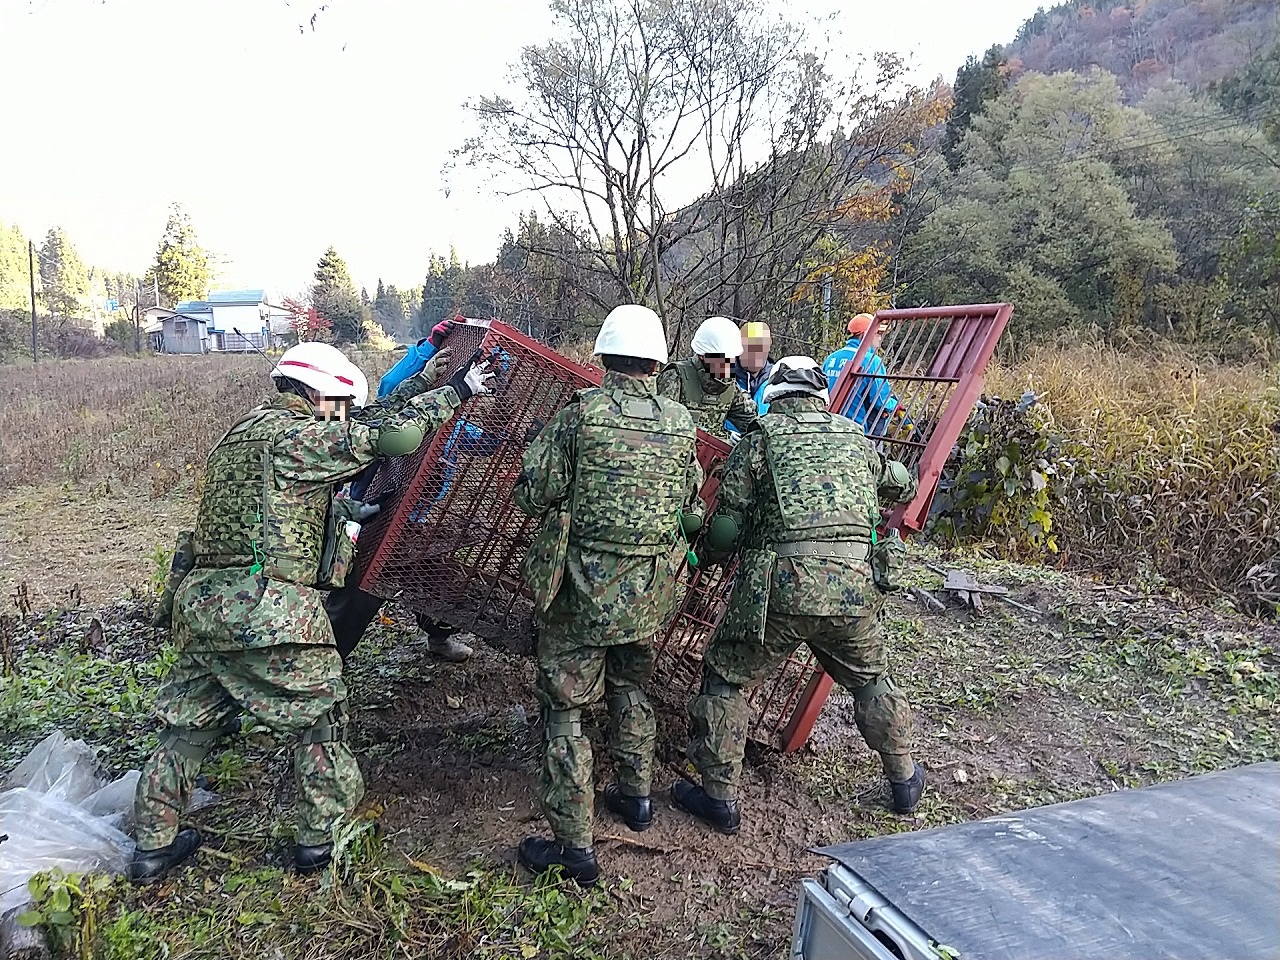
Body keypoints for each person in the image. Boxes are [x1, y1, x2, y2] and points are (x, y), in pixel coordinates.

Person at [128, 341, 495, 885]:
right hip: (265, 609)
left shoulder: (244, 432)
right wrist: (457, 391)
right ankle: (317, 843)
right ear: (322, 395)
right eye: (340, 405)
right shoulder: (299, 436)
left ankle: (153, 846)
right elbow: (393, 436)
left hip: (203, 606)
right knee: (321, 720)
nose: (343, 414)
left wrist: (346, 506)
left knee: (187, 727)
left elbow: (339, 445)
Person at [671, 356, 926, 836]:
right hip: (853, 589)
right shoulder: (855, 436)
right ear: (821, 395)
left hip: (780, 592)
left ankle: (719, 798)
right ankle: (904, 780)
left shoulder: (760, 438)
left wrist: (709, 555)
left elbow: (727, 526)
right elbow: (902, 484)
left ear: (773, 394)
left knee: (726, 679)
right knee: (871, 680)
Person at [514, 304, 704, 886]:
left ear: (602, 355)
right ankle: (637, 798)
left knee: (566, 710)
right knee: (630, 687)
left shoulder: (580, 416)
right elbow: (690, 505)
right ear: (658, 362)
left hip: (580, 589)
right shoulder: (681, 422)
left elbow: (532, 492)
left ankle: (574, 847)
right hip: (648, 591)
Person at [326, 318, 483, 665]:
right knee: (358, 590)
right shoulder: (384, 418)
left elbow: (488, 442)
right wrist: (427, 349)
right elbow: (390, 388)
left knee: (434, 577)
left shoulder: (455, 428)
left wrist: (512, 419)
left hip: (414, 522)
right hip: (372, 515)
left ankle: (439, 639)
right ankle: (326, 659)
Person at [657, 315, 758, 440]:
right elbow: (659, 425)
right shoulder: (676, 377)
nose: (727, 363)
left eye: (730, 358)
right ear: (702, 355)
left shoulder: (730, 386)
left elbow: (750, 422)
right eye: (721, 357)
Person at [822, 313, 902, 433]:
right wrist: (895, 406)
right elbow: (880, 401)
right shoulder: (872, 361)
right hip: (859, 432)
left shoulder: (831, 358)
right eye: (878, 334)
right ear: (865, 335)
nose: (880, 338)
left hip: (831, 426)